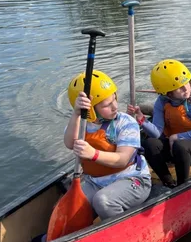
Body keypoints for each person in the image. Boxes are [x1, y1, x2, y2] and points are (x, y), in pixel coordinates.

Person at [65, 70, 151, 219]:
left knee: (103, 201)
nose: (115, 106)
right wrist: (77, 114)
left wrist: (93, 154)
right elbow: (69, 143)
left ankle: (123, 233)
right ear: (90, 110)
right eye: (107, 105)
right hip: (95, 182)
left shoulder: (126, 122)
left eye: (114, 100)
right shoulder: (82, 123)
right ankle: (52, 239)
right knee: (70, 208)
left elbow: (123, 159)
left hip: (133, 180)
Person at [129, 59, 191, 188]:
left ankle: (182, 185)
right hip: (172, 149)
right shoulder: (161, 101)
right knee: (149, 143)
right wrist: (142, 119)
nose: (186, 88)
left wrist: (175, 137)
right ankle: (168, 182)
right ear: (168, 93)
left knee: (180, 145)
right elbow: (157, 132)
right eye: (179, 88)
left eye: (186, 83)